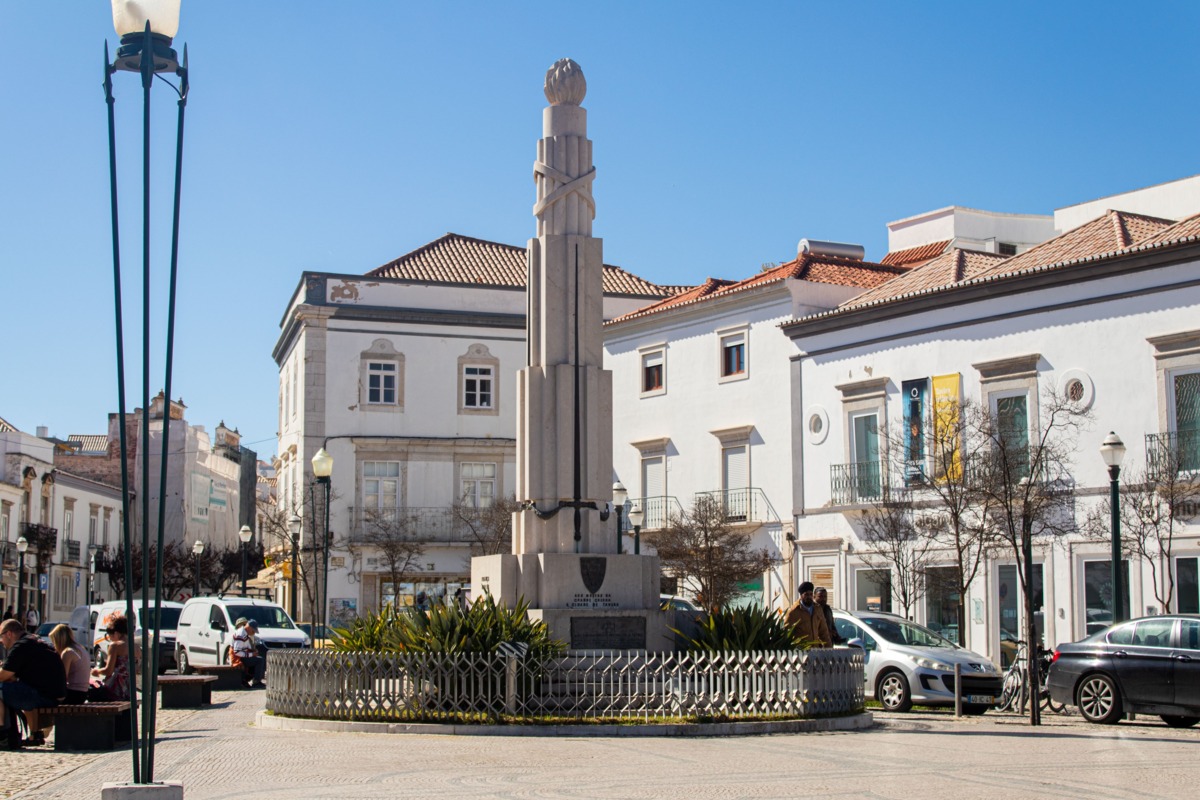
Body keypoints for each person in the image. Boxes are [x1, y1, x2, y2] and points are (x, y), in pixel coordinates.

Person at [0, 619, 66, 749]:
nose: (1, 641)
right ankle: (19, 734)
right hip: (54, 693)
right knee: (9, 689)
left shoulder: (21, 646)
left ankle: (2, 735)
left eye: (1, 636)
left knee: (1, 689)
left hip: (44, 696)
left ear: (9, 634)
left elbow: (3, 676)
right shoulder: (33, 641)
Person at [88, 615, 137, 702]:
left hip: (115, 690)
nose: (110, 639)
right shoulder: (136, 647)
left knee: (91, 690)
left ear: (116, 633)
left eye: (109, 635)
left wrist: (96, 671)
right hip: (130, 690)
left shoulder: (115, 646)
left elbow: (108, 670)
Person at [49, 625, 90, 705]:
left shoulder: (67, 652)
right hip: (82, 693)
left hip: (73, 693)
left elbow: (62, 678)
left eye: (54, 641)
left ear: (59, 640)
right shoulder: (80, 648)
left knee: (39, 699)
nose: (54, 645)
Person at [783, 582, 832, 647]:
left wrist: (829, 649)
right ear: (801, 595)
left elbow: (824, 632)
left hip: (815, 651)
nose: (809, 597)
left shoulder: (818, 609)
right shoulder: (793, 612)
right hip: (801, 652)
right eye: (806, 594)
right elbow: (787, 633)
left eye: (810, 594)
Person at [231, 620, 265, 688]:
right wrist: (251, 654)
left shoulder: (244, 633)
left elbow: (245, 647)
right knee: (260, 661)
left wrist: (253, 651)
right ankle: (256, 682)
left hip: (242, 656)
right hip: (238, 658)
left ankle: (249, 680)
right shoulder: (240, 635)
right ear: (249, 627)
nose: (253, 633)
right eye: (253, 631)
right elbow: (237, 652)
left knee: (259, 659)